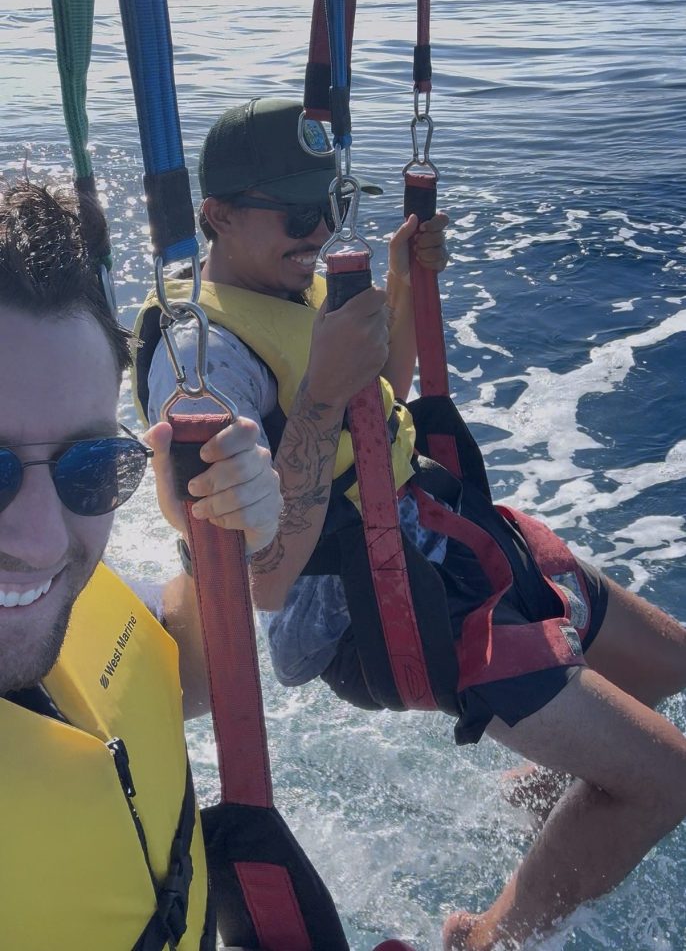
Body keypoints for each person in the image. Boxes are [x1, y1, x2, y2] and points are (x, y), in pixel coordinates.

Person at [135, 97, 686, 949]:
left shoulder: (288, 277)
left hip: (441, 531)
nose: (320, 230)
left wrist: (398, 281)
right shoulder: (199, 357)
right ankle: (487, 940)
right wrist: (316, 396)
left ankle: (535, 814)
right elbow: (260, 580)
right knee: (666, 779)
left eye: (334, 204)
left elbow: (379, 392)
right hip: (382, 605)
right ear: (217, 216)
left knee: (667, 665)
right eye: (298, 214)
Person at [0, 180, 282, 949]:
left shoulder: (58, 593)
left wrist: (205, 539)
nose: (39, 537)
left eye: (89, 465)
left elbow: (173, 684)